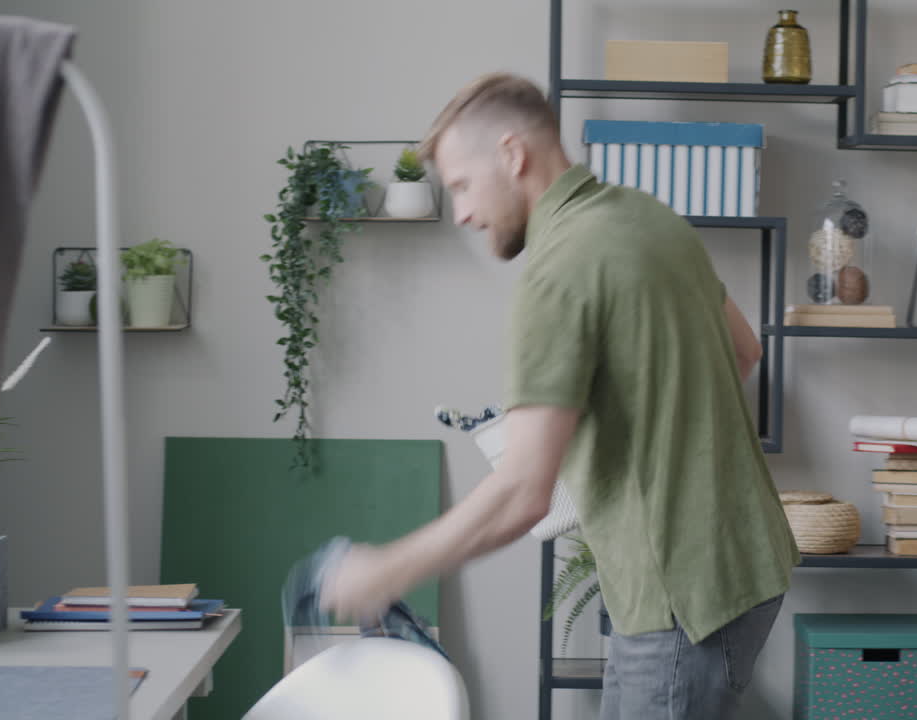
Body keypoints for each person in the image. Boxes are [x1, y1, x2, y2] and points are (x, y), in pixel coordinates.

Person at [321, 72, 800, 719]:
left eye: (462, 184)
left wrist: (388, 569)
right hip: (744, 569)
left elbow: (523, 494)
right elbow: (745, 350)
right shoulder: (650, 219)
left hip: (677, 600)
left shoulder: (558, 269)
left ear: (513, 155)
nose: (462, 212)